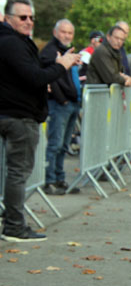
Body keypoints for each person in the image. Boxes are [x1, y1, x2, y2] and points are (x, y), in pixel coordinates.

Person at [0, 0, 80, 241]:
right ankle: (13, 225)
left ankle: (12, 222)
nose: (28, 22)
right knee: (18, 172)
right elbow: (33, 76)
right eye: (22, 17)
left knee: (14, 172)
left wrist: (44, 77)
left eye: (32, 18)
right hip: (18, 117)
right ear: (8, 17)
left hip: (16, 112)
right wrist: (62, 65)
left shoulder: (15, 41)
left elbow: (25, 77)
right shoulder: (11, 42)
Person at [40, 19, 82, 195]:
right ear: (55, 32)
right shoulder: (50, 52)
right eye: (63, 32)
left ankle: (59, 178)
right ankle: (49, 180)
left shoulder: (67, 51)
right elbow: (50, 76)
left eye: (70, 33)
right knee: (55, 144)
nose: (67, 36)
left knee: (64, 145)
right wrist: (61, 98)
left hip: (71, 103)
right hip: (59, 104)